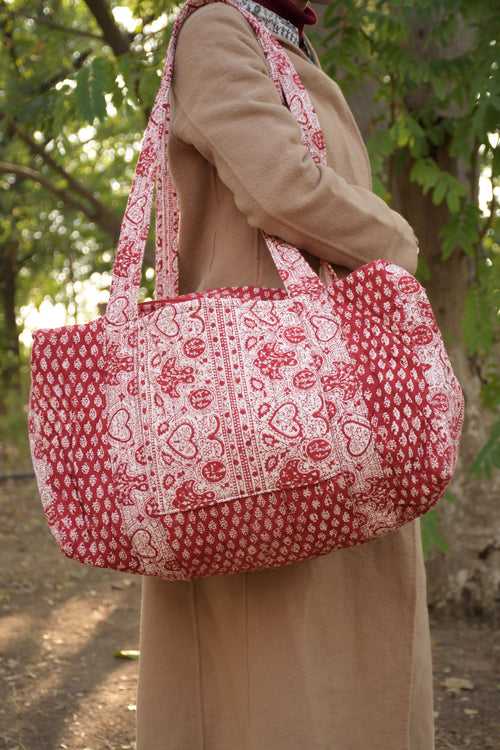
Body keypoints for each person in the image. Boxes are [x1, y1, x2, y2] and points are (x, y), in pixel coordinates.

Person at [135, 0, 434, 748]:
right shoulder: (217, 29)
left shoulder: (288, 42)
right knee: (269, 680)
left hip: (331, 404)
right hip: (254, 423)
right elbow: (280, 187)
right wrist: (396, 239)